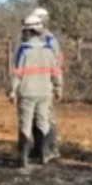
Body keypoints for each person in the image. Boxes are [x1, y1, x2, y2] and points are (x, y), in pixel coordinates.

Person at [9, 14, 62, 169]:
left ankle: (23, 157)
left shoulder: (22, 49)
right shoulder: (49, 49)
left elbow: (17, 73)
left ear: (28, 31)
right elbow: (56, 71)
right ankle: (44, 155)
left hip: (27, 92)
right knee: (43, 122)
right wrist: (58, 88)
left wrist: (12, 91)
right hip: (45, 92)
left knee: (25, 123)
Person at [28, 7, 64, 161]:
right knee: (35, 118)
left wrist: (56, 85)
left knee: (47, 118)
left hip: (45, 84)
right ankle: (38, 148)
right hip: (33, 84)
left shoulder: (49, 39)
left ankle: (52, 148)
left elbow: (57, 61)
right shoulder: (32, 38)